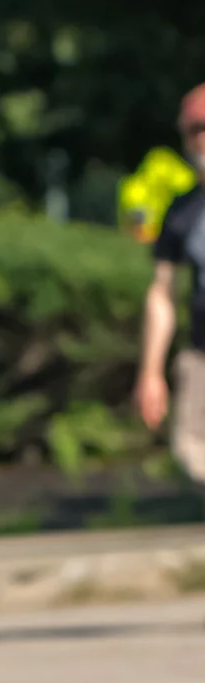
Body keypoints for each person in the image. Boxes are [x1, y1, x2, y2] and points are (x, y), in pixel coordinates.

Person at [136, 84, 205, 486]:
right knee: (188, 445)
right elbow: (161, 292)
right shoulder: (183, 212)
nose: (199, 139)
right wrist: (150, 372)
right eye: (192, 129)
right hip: (201, 352)